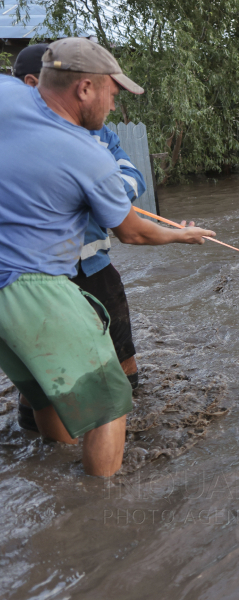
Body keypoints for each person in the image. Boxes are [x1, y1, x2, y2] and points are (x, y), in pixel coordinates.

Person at [0, 37, 215, 477]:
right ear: (84, 89)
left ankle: (57, 482)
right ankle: (101, 511)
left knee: (43, 395)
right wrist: (182, 236)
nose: (114, 105)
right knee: (111, 405)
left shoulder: (7, 94)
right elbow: (133, 233)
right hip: (33, 288)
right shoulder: (87, 155)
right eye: (112, 93)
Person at [12, 43, 147, 436]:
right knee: (41, 375)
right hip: (37, 278)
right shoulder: (19, 132)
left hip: (94, 266)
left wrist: (102, 192)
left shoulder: (98, 132)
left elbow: (131, 175)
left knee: (123, 359)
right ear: (32, 84)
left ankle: (118, 429)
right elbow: (134, 232)